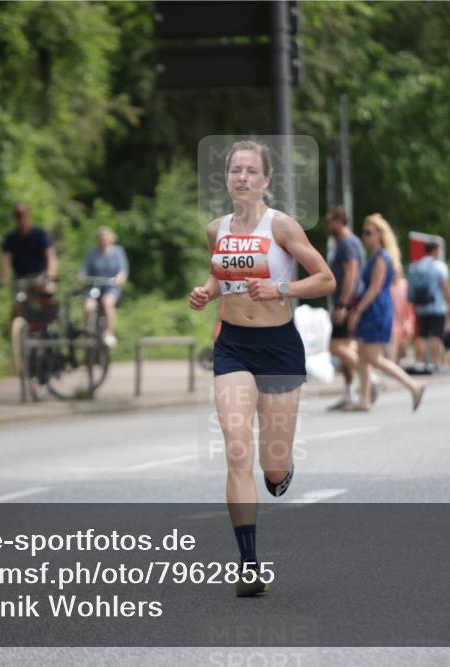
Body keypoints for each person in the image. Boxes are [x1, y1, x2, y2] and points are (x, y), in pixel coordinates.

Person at [189, 140, 335, 597]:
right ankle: (249, 566)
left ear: (266, 180)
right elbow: (221, 274)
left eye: (253, 171)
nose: (243, 178)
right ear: (227, 178)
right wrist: (207, 292)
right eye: (236, 171)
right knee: (236, 451)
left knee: (271, 468)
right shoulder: (217, 229)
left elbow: (325, 278)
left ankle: (281, 470)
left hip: (278, 348)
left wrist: (281, 290)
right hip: (233, 345)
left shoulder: (283, 227)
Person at [344, 214, 425, 412]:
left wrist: (357, 311)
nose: (365, 236)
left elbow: (374, 289)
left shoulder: (382, 258)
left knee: (373, 357)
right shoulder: (378, 256)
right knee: (363, 356)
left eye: (369, 232)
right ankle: (364, 399)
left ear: (380, 234)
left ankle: (413, 385)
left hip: (376, 310)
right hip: (373, 309)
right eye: (364, 233)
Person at [323, 205, 366, 410]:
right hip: (350, 301)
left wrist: (343, 304)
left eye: (329, 221)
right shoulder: (348, 242)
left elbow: (352, 272)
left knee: (335, 347)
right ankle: (349, 392)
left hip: (347, 302)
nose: (326, 225)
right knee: (345, 348)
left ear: (339, 221)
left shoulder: (346, 243)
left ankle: (369, 376)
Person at [0, 202, 58, 318]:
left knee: (48, 293)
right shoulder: (11, 238)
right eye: (17, 215)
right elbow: (6, 260)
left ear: (28, 215)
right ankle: (15, 330)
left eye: (22, 214)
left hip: (39, 277)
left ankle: (50, 320)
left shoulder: (40, 234)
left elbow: (50, 256)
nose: (20, 218)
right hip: (21, 278)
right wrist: (3, 279)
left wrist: (51, 275)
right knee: (17, 304)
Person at [78, 226, 129, 348]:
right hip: (95, 286)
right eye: (101, 237)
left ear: (112, 238)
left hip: (111, 287)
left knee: (107, 302)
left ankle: (109, 333)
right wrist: (81, 276)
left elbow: (123, 270)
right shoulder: (93, 253)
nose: (103, 240)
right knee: (88, 306)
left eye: (106, 237)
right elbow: (84, 269)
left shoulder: (118, 252)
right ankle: (88, 332)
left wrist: (121, 278)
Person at [407, 242, 450, 371]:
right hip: (437, 306)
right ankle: (433, 363)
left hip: (420, 307)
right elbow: (445, 287)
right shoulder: (439, 266)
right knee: (436, 335)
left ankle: (419, 362)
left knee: (421, 335)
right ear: (435, 251)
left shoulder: (416, 265)